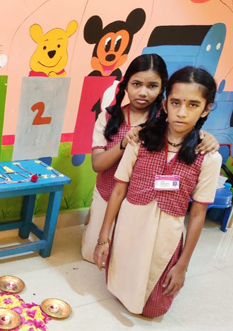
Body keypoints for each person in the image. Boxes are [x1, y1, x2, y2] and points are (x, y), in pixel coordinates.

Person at [94, 66, 222, 317]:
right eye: (175, 103)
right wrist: (103, 238)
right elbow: (119, 190)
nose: (182, 112)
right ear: (165, 104)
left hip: (166, 235)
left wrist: (183, 265)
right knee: (120, 281)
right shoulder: (140, 140)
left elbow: (198, 214)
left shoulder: (208, 157)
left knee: (154, 308)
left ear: (206, 109)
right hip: (130, 225)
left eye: (193, 105)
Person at [81, 54, 219, 263]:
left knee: (126, 257)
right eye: (137, 84)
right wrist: (125, 143)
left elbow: (185, 133)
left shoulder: (165, 121)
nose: (143, 92)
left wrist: (205, 136)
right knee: (92, 254)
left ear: (162, 89)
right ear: (126, 84)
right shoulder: (108, 118)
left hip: (141, 204)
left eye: (152, 86)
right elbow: (98, 164)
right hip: (109, 193)